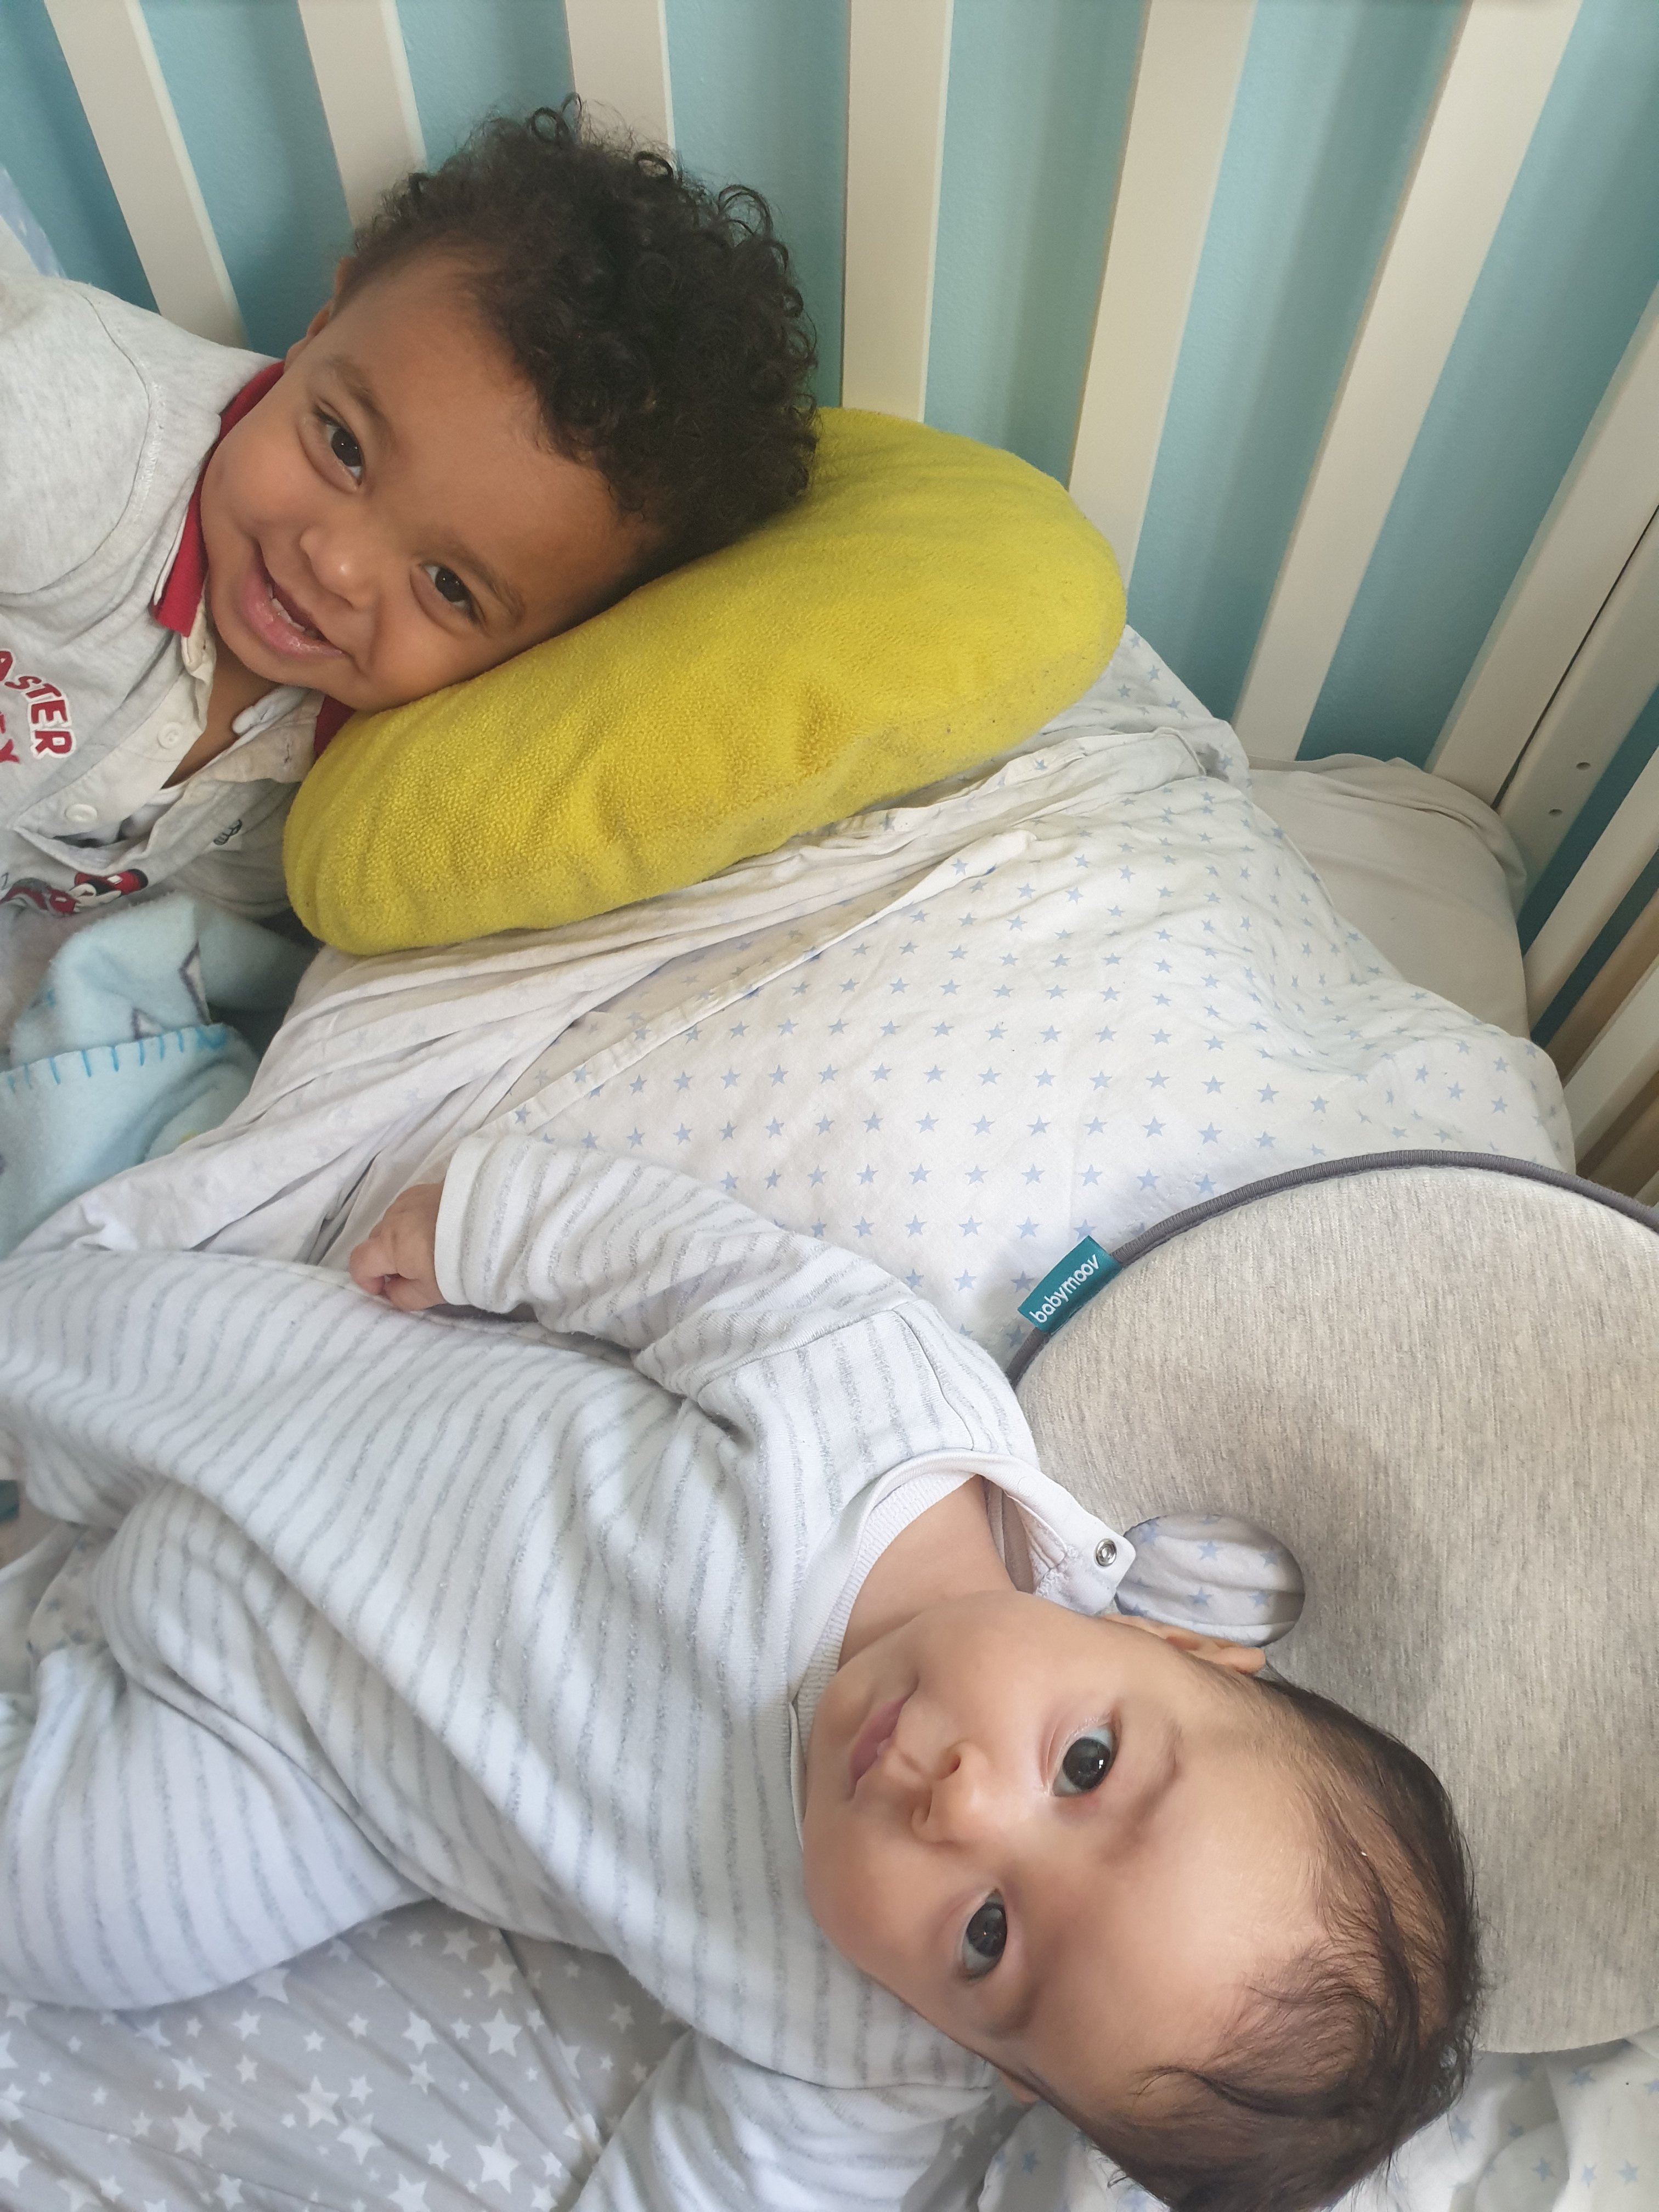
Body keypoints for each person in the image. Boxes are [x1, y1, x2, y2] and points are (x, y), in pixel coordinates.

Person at [0, 1132, 1478, 2212]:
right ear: (1169, 1643)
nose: (961, 1807)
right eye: (1085, 1767)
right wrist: (491, 1223)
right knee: (54, 1332)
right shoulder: (902, 1441)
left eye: (987, 1938)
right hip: (321, 1408)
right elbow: (694, 1266)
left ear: (995, 2063)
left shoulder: (858, 2045)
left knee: (78, 1913)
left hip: (297, 1762)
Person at [0, 106, 816, 923]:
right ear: (324, 327)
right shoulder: (78, 432)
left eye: (448, 584)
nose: (337, 566)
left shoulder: (366, 777)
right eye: (345, 447)